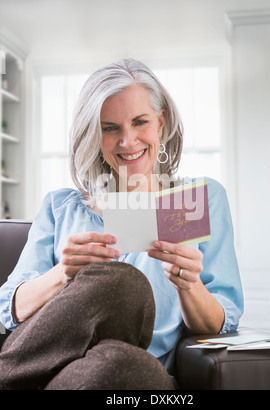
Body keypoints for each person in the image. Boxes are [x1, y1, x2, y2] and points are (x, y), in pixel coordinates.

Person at [0, 58, 243, 390]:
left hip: (133, 378)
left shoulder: (196, 200)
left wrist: (189, 286)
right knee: (121, 286)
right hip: (48, 375)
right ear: (93, 136)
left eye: (140, 122)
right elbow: (8, 308)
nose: (128, 142)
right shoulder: (62, 207)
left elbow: (221, 322)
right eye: (110, 128)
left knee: (123, 363)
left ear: (161, 122)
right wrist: (64, 276)